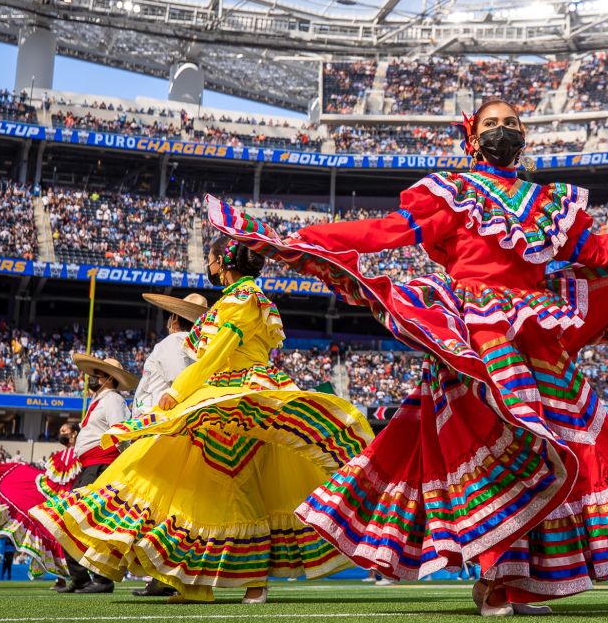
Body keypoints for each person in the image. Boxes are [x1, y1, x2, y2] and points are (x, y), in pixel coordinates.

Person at [208, 98, 608, 616]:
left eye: (512, 124)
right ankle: (494, 577)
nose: (503, 131)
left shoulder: (550, 202)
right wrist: (301, 239)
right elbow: (385, 233)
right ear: (472, 138)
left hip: (534, 334)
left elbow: (602, 251)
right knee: (499, 451)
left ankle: (520, 583)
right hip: (478, 335)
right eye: (491, 124)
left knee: (562, 445)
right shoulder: (454, 194)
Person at [34, 239, 374, 604]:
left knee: (235, 482)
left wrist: (179, 392)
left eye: (211, 260)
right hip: (220, 395)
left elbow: (215, 354)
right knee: (199, 484)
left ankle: (254, 580)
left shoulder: (244, 300)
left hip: (239, 400)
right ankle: (195, 582)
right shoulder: (235, 299)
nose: (208, 266)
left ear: (223, 262)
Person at [130, 292, 208, 599]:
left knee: (157, 506)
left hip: (162, 430)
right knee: (166, 508)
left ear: (175, 318)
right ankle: (165, 575)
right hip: (174, 430)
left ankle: (163, 576)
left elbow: (180, 380)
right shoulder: (196, 348)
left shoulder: (173, 343)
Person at [0, 423, 82, 585]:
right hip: (53, 497)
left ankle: (76, 577)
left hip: (70, 498)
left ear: (74, 433)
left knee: (64, 537)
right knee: (50, 533)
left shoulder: (81, 452)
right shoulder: (59, 457)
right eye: (60, 430)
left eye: (64, 430)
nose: (61, 433)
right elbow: (51, 479)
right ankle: (61, 578)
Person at [59, 355, 135, 594]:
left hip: (102, 466)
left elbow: (121, 434)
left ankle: (101, 579)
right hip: (90, 467)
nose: (93, 377)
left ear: (109, 379)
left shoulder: (112, 399)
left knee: (89, 519)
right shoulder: (100, 400)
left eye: (98, 374)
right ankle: (82, 578)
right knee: (74, 518)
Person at [133, 292, 209, 415]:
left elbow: (179, 381)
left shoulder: (174, 340)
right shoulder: (202, 345)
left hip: (159, 419)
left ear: (174, 320)